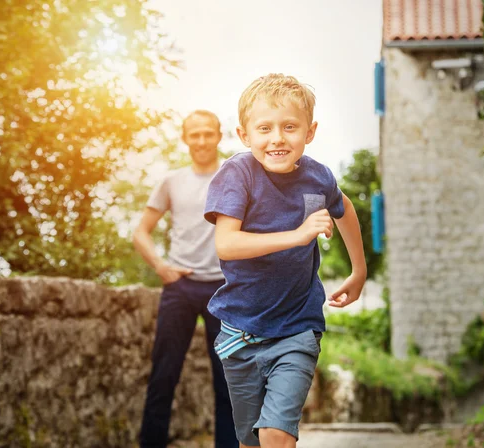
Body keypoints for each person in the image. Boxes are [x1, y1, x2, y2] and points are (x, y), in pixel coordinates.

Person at [204, 74, 367, 448]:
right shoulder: (237, 174)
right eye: (264, 128)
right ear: (244, 135)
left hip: (297, 328)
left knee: (276, 435)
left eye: (289, 127)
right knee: (249, 442)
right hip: (240, 333)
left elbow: (345, 209)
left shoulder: (318, 177)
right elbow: (226, 244)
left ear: (309, 132)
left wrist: (359, 270)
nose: (277, 138)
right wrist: (297, 235)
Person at [133, 110, 238, 448]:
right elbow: (140, 233)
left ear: (219, 136)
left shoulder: (236, 176)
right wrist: (161, 267)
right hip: (180, 286)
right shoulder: (171, 181)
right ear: (185, 138)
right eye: (195, 134)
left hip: (224, 290)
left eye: (209, 133)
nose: (202, 140)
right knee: (164, 375)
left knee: (227, 381)